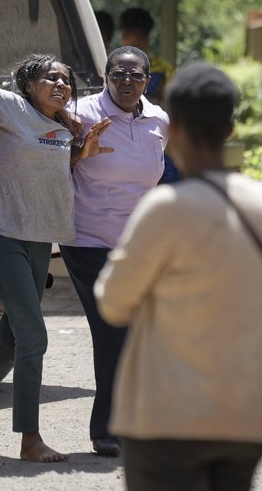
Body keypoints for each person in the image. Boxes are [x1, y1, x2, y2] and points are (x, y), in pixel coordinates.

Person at [95, 61, 262, 490]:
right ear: (231, 128)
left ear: (173, 128)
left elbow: (112, 303)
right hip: (244, 417)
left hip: (168, 418)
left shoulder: (164, 208)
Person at [0, 54, 112, 463]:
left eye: (65, 79)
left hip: (41, 243)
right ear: (28, 83)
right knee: (34, 337)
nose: (60, 84)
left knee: (10, 343)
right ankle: (29, 440)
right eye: (49, 77)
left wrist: (80, 154)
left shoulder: (64, 126)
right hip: (4, 239)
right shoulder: (11, 107)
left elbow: (48, 173)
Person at [58, 46, 168, 457]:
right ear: (105, 76)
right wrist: (76, 152)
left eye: (135, 76)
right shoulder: (79, 113)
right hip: (88, 240)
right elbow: (51, 166)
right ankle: (106, 430)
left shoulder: (158, 119)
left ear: (147, 80)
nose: (126, 82)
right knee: (113, 331)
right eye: (118, 74)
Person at [118, 7, 178, 184]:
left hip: (155, 143)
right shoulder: (111, 66)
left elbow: (169, 107)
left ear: (147, 40)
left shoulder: (162, 69)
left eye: (138, 43)